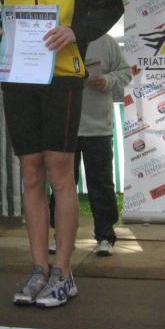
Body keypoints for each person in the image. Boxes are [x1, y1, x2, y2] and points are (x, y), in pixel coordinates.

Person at [0, 0, 124, 307]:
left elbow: (110, 6)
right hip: (17, 75)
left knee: (60, 171)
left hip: (62, 74)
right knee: (30, 172)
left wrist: (75, 32)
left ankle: (64, 272)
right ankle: (37, 269)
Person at [49, 34, 131, 256]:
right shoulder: (56, 38)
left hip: (98, 128)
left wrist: (107, 80)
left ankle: (105, 236)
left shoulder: (106, 41)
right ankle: (62, 237)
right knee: (61, 185)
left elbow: (125, 73)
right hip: (64, 126)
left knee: (101, 183)